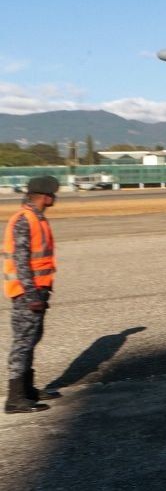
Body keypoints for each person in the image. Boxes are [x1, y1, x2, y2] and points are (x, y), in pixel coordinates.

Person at [4, 176, 61, 414]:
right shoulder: (24, 220)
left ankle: (27, 389)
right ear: (45, 196)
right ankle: (15, 399)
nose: (55, 198)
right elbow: (21, 261)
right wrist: (31, 295)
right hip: (28, 294)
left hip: (38, 290)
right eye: (53, 194)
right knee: (23, 343)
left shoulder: (37, 218)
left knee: (31, 339)